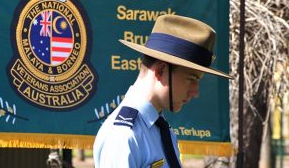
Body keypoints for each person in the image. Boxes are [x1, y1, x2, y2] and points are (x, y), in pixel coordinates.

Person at [93, 14, 232, 168]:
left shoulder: (160, 129)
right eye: (191, 79)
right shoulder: (125, 136)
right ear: (160, 71)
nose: (195, 92)